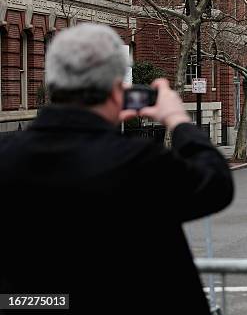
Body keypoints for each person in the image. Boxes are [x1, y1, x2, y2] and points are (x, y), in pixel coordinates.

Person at [0, 24, 233, 314]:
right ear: (116, 91)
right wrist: (177, 119)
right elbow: (215, 183)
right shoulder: (136, 162)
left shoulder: (7, 156)